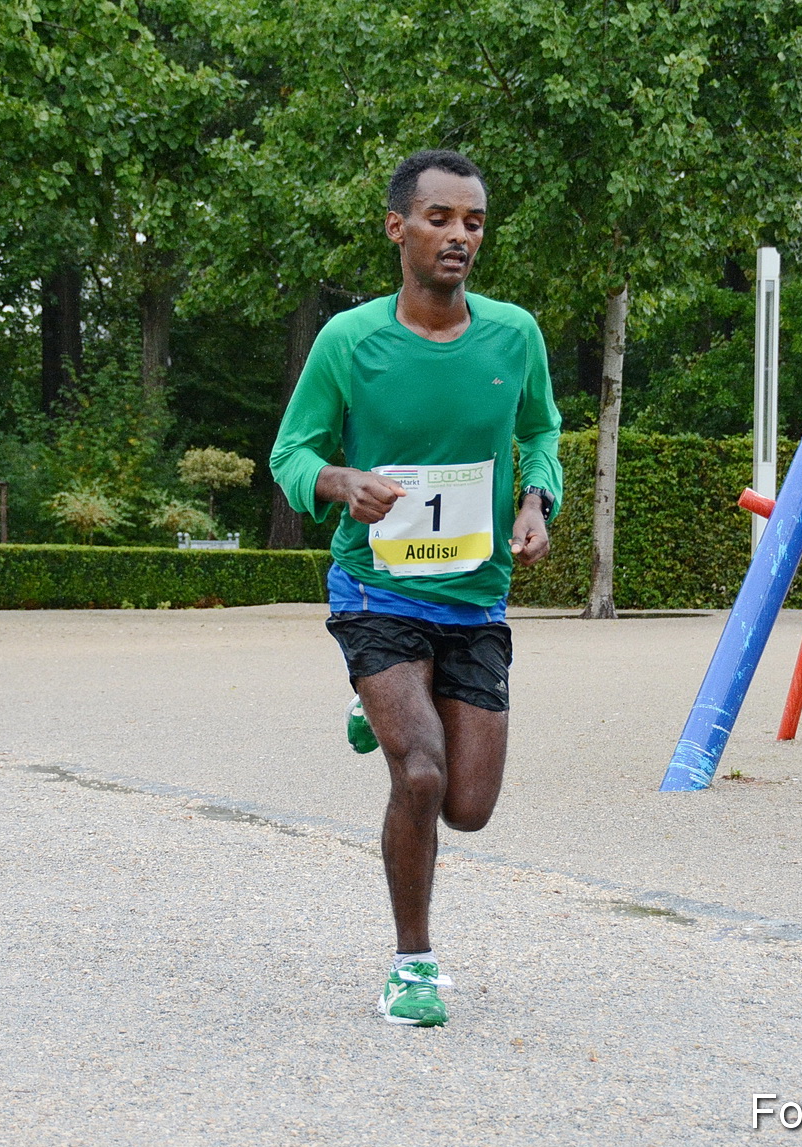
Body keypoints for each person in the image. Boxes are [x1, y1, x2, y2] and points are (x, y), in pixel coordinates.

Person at [269, 149, 563, 1027]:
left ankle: (387, 705)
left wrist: (537, 499)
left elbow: (542, 430)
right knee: (423, 774)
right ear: (398, 227)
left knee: (470, 808)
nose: (458, 236)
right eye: (439, 218)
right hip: (377, 589)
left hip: (477, 596)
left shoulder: (515, 335)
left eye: (472, 222)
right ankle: (413, 963)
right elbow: (292, 452)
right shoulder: (350, 341)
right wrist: (339, 482)